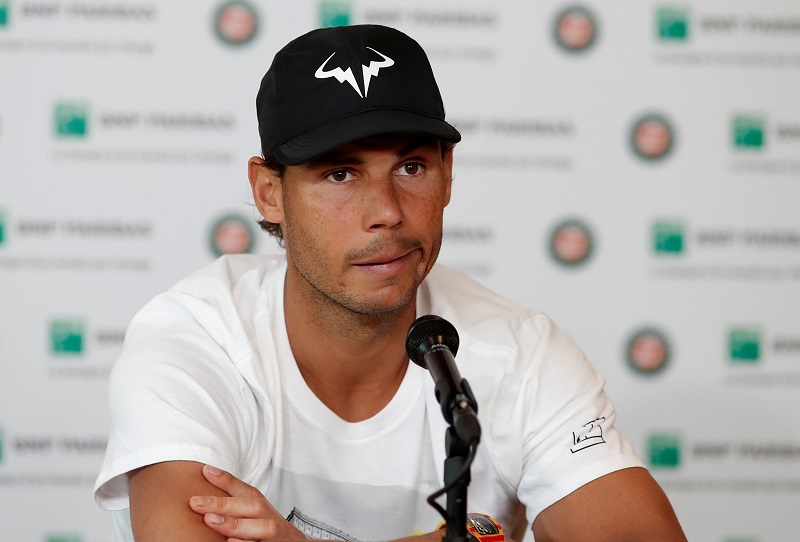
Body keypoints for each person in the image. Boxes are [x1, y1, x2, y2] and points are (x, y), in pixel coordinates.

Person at [93, 24, 687, 542]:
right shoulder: (198, 339)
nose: (387, 211)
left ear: (447, 176)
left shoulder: (519, 351)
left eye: (410, 167)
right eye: (340, 174)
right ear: (269, 192)